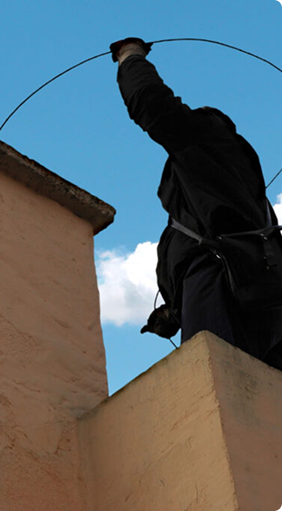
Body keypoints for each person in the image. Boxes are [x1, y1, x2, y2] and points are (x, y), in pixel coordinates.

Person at [110, 37, 282, 371]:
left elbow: (151, 103)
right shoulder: (236, 193)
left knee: (214, 377)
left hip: (218, 284)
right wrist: (175, 311)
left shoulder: (204, 139)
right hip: (248, 297)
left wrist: (130, 55)